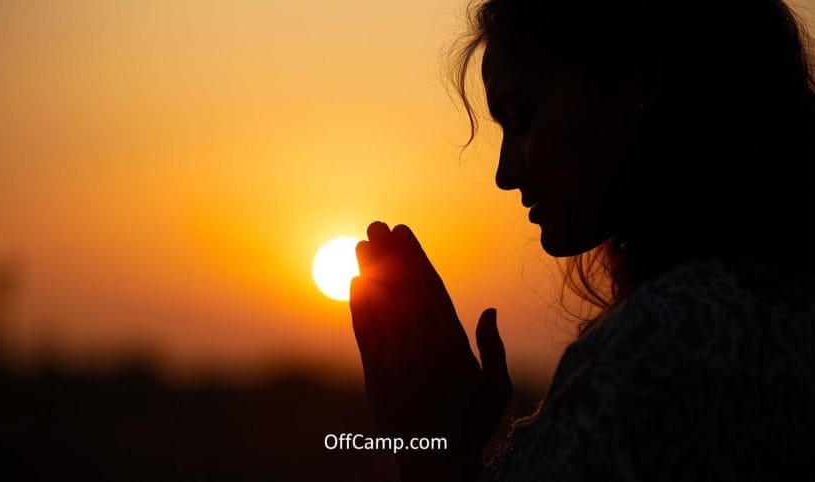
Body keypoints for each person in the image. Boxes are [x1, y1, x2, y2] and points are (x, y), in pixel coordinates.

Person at [349, 0, 815, 480]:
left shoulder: (667, 338)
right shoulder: (765, 306)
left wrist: (433, 445)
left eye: (523, 118)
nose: (505, 174)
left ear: (641, 81)